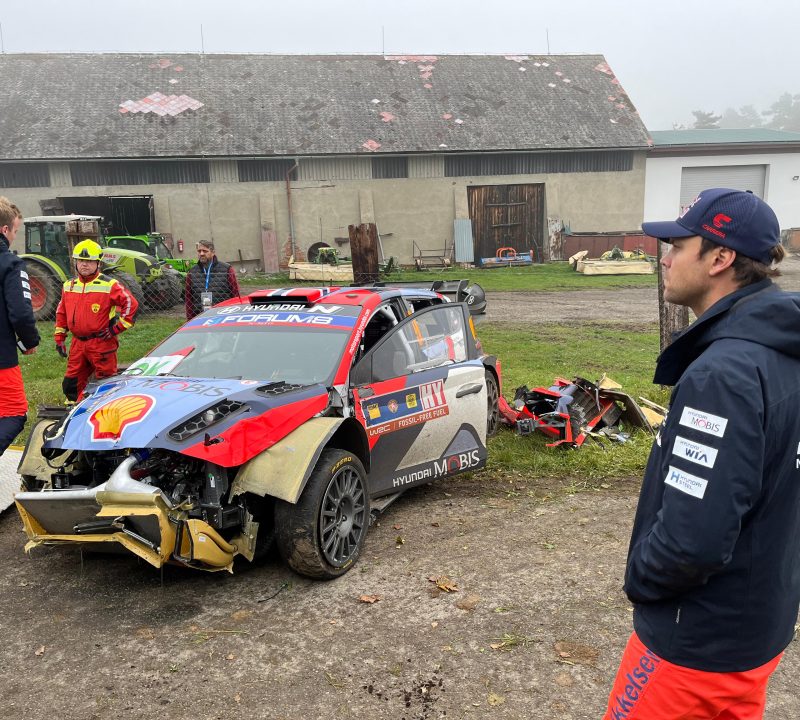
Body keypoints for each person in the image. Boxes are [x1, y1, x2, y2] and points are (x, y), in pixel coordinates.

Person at [604, 188, 800, 720]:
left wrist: (642, 580)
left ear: (720, 258)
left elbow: (693, 540)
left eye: (677, 245)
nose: (664, 259)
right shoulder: (783, 350)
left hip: (694, 644)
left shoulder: (724, 375)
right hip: (757, 628)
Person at [54, 239, 139, 402]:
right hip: (78, 344)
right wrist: (60, 338)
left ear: (98, 263)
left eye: (89, 261)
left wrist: (117, 328)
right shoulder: (69, 286)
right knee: (71, 384)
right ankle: (74, 410)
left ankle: (105, 408)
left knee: (106, 383)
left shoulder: (109, 285)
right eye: (81, 260)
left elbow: (131, 303)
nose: (84, 264)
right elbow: (61, 313)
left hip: (102, 343)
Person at [0, 197, 40, 455]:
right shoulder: (10, 264)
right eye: (15, 231)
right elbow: (22, 314)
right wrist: (28, 342)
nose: (15, 236)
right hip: (2, 359)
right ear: (5, 229)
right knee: (14, 413)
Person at [184, 240, 241, 319]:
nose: (201, 254)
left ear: (213, 252)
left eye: (205, 251)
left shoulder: (227, 269)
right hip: (200, 317)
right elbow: (188, 299)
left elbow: (235, 294)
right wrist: (190, 320)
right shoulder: (192, 272)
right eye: (199, 251)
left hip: (223, 316)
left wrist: (236, 316)